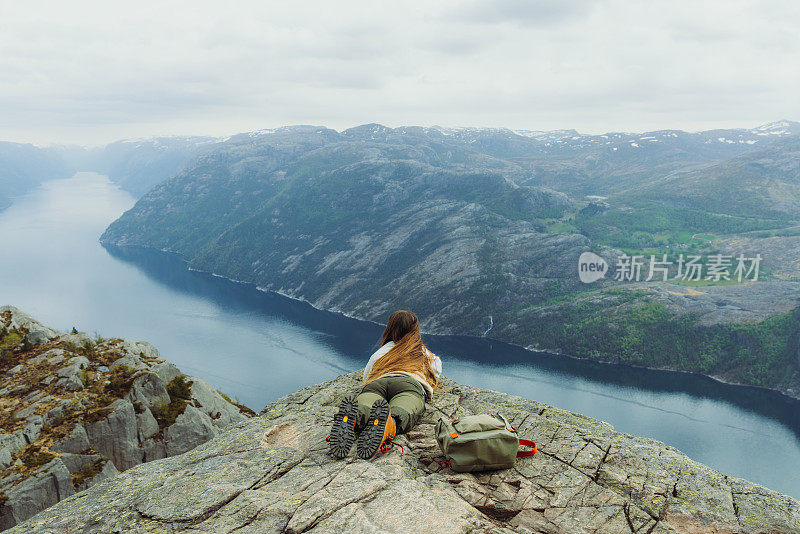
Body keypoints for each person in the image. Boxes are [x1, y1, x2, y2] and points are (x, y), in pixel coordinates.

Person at [329, 310, 442, 460]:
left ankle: (354, 417)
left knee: (365, 405)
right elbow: (435, 376)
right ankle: (390, 423)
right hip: (408, 385)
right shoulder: (428, 355)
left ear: (390, 328)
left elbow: (366, 378)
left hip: (378, 383)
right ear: (415, 330)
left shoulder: (380, 353)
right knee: (402, 411)